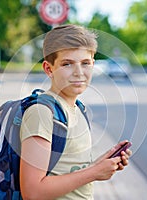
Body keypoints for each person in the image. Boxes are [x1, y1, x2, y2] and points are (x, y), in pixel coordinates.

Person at [19, 24, 132, 200]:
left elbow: (67, 171)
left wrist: (100, 166)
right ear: (49, 69)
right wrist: (94, 172)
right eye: (67, 64)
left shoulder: (78, 109)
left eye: (85, 63)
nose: (79, 72)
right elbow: (32, 192)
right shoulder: (41, 113)